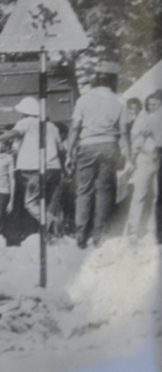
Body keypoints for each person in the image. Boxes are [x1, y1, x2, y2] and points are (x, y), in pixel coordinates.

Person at [66, 62, 132, 249]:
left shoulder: (84, 99)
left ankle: (81, 235)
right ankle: (99, 235)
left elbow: (74, 129)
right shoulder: (120, 101)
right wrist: (128, 156)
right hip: (109, 147)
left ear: (97, 78)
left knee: (84, 191)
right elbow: (125, 133)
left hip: (86, 146)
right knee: (105, 192)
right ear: (113, 80)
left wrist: (70, 153)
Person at [0, 96, 65, 232]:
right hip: (54, 168)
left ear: (24, 112)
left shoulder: (25, 122)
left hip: (33, 169)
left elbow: (14, 133)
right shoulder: (51, 125)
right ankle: (50, 234)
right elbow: (62, 149)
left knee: (31, 204)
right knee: (48, 204)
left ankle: (53, 223)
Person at [125, 92, 162, 238]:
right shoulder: (142, 118)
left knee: (157, 195)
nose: (152, 107)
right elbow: (136, 140)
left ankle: (153, 227)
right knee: (139, 194)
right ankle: (134, 228)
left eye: (155, 104)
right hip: (144, 159)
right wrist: (138, 155)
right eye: (149, 104)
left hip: (158, 160)